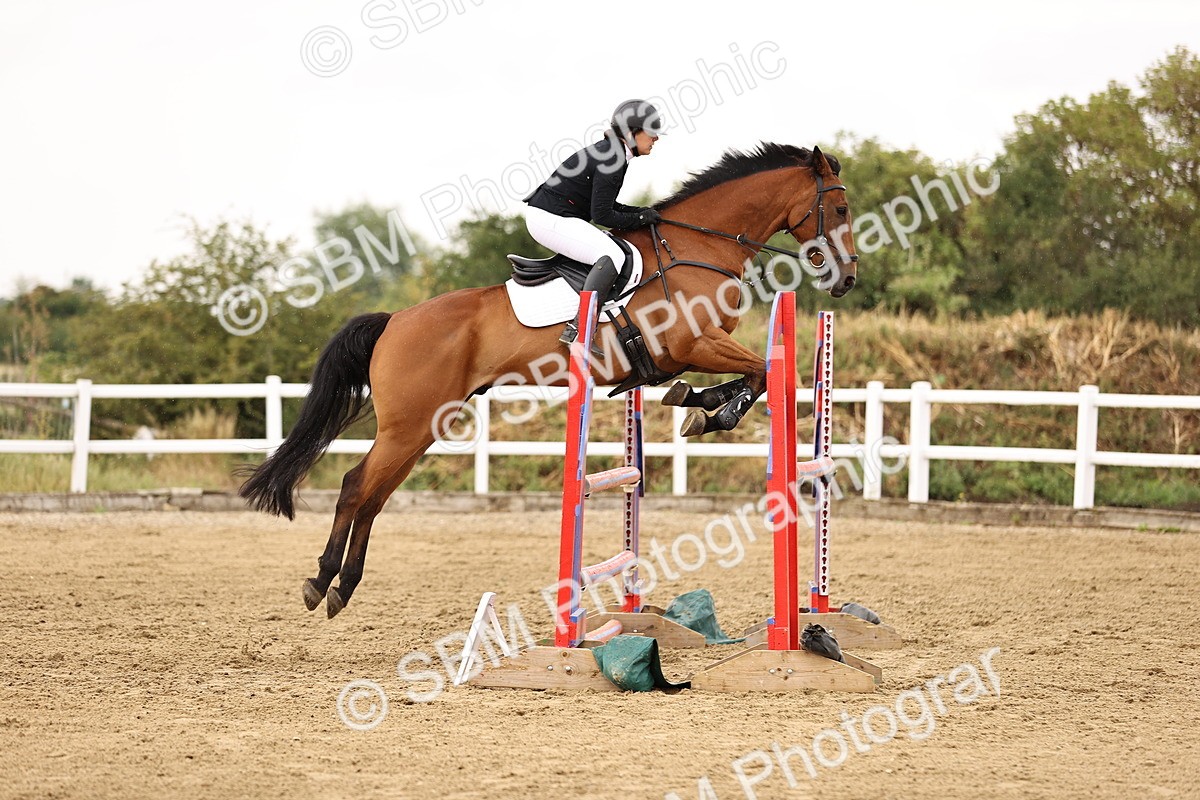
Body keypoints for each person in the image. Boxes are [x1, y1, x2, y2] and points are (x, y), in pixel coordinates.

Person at [524, 99, 665, 353]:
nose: (656, 138)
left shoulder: (613, 152)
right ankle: (580, 329)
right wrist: (641, 219)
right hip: (549, 218)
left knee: (614, 250)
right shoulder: (614, 157)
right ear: (632, 132)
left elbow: (606, 206)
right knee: (612, 254)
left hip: (553, 215)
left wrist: (642, 213)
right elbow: (602, 215)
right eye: (651, 132)